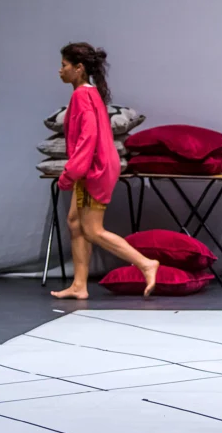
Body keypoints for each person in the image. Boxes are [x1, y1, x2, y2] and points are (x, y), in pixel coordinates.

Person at [51, 43, 160, 299]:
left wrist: (70, 173)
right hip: (95, 166)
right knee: (75, 223)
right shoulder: (89, 93)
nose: (60, 71)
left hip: (93, 170)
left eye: (64, 65)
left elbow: (87, 139)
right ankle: (79, 285)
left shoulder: (82, 96)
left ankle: (146, 264)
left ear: (78, 68)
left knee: (92, 230)